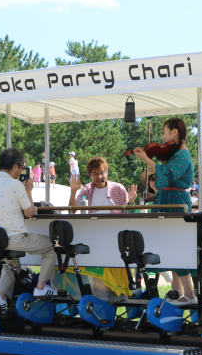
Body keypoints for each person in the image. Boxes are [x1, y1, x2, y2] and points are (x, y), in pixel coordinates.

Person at [0, 148, 57, 310]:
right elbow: (30, 213)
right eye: (22, 167)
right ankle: (41, 287)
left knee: (10, 264)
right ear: (15, 167)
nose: (22, 170)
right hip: (14, 239)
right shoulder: (15, 185)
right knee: (51, 247)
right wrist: (28, 190)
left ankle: (1, 296)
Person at [132, 117, 195, 305]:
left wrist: (146, 158)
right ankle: (177, 291)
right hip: (168, 200)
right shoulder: (177, 154)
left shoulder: (183, 155)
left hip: (175, 202)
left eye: (166, 132)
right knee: (169, 247)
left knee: (176, 246)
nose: (163, 137)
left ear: (174, 132)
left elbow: (167, 175)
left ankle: (190, 295)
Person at [68, 157, 137, 213]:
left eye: (102, 173)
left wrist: (131, 202)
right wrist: (73, 191)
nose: (99, 176)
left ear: (107, 173)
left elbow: (129, 214)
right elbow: (71, 211)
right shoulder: (86, 190)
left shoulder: (118, 189)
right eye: (95, 173)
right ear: (90, 175)